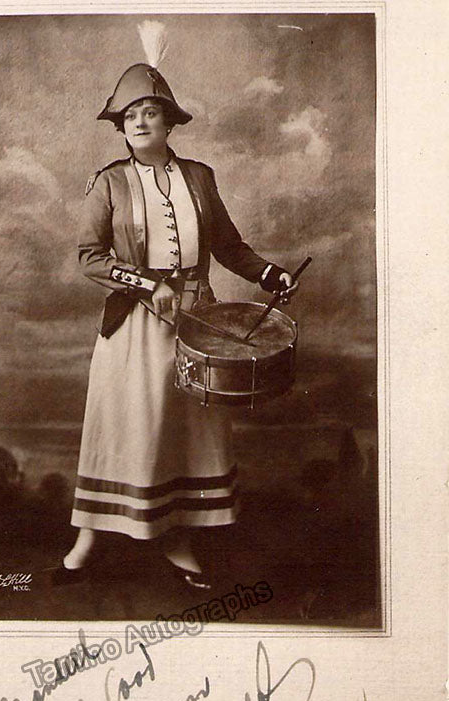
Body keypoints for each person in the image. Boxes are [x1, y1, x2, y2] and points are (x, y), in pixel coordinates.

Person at [55, 60, 297, 588]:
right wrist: (147, 284)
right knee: (125, 425)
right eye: (130, 116)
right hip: (133, 326)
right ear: (121, 129)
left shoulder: (200, 177)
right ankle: (88, 538)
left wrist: (269, 273)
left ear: (168, 122)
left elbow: (228, 245)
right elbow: (89, 258)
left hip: (197, 321)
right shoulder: (108, 182)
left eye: (150, 112)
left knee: (185, 431)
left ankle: (176, 536)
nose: (140, 122)